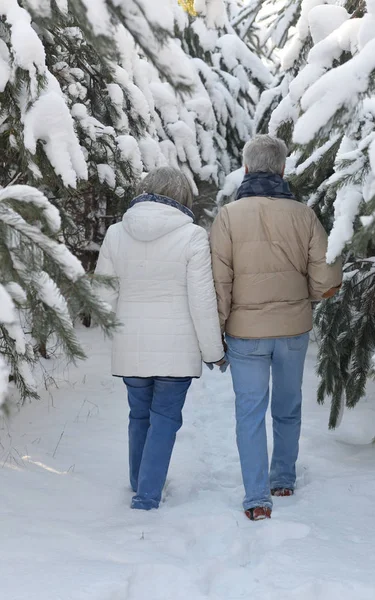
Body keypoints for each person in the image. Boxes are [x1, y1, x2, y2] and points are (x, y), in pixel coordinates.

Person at [210, 135, 342, 521]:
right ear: (283, 169)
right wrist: (307, 297)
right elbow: (327, 276)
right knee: (288, 406)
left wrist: (216, 332)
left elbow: (219, 281)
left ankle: (256, 497)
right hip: (292, 329)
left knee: (249, 412)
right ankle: (282, 478)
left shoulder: (228, 217)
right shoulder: (304, 215)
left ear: (246, 169)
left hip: (244, 333)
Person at [95, 167, 225, 511]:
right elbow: (202, 299)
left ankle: (141, 482)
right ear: (183, 197)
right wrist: (214, 351)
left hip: (130, 343)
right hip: (176, 349)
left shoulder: (115, 233)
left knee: (139, 415)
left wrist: (111, 333)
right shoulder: (193, 236)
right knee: (165, 417)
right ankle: (147, 495)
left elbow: (103, 297)